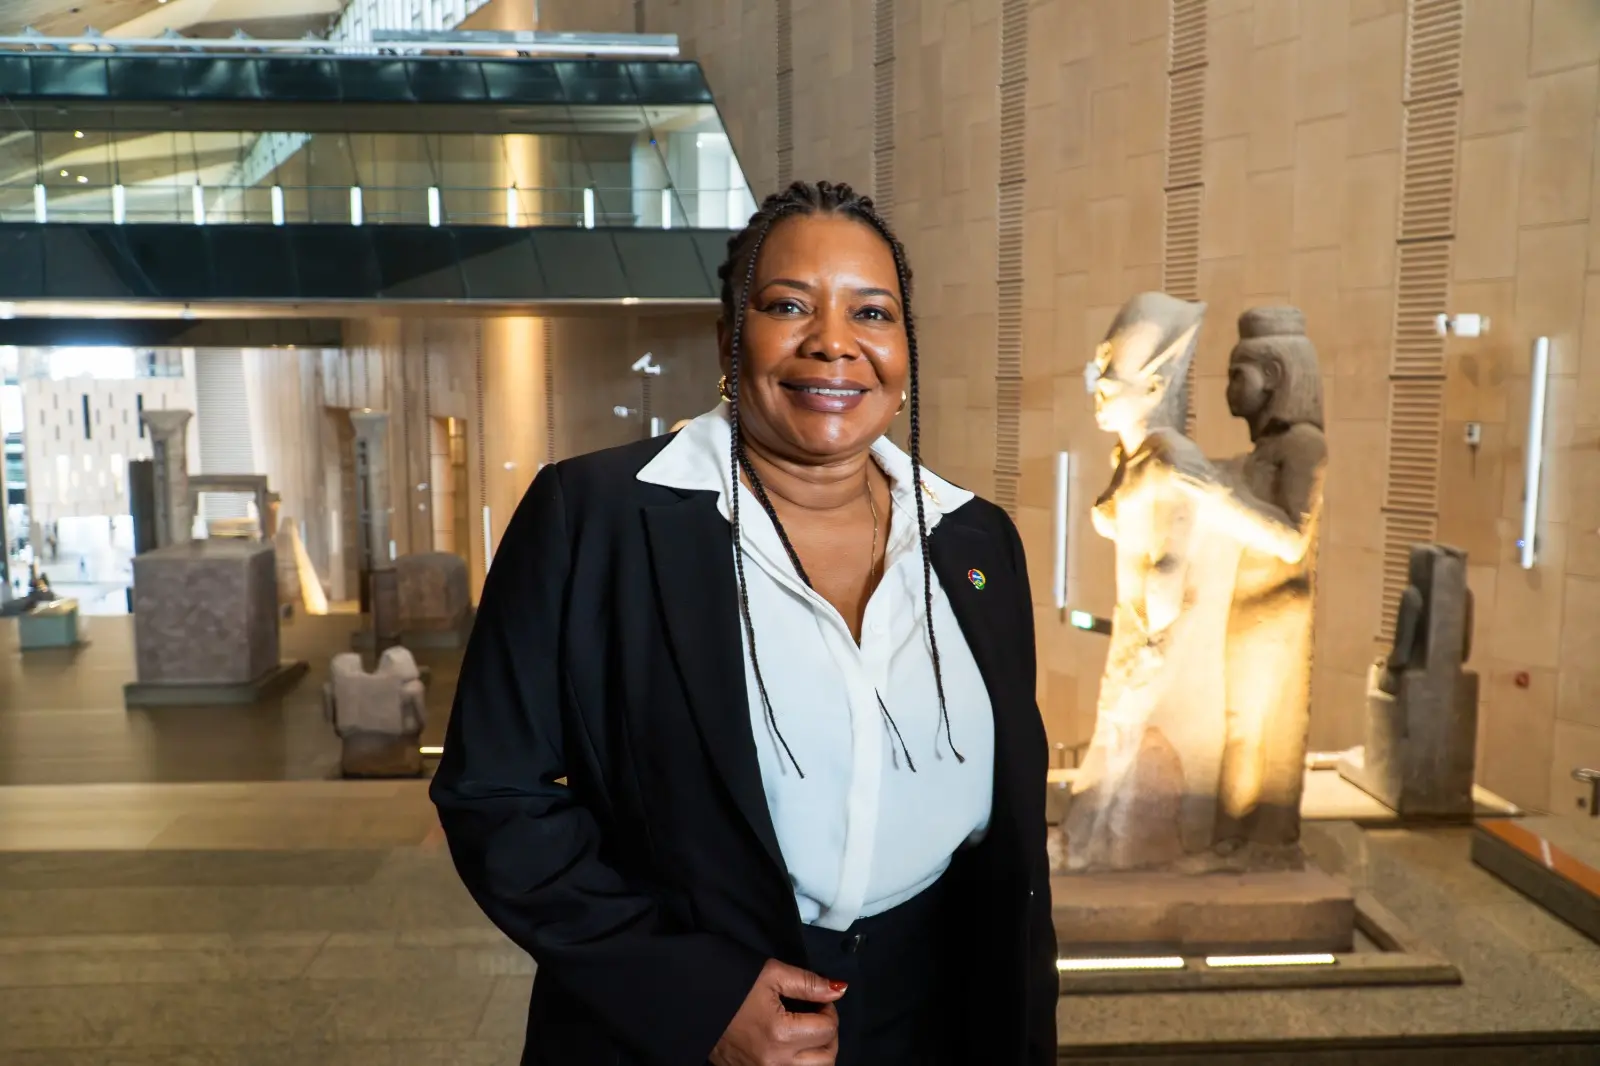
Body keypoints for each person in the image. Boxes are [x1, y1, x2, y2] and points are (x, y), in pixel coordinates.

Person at [433, 180, 1056, 1066]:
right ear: (728, 337)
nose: (833, 341)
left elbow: (1010, 842)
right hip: (681, 1024)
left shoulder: (975, 539)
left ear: (904, 349)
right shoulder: (594, 517)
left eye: (871, 312)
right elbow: (495, 797)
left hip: (938, 1011)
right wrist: (693, 998)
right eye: (789, 305)